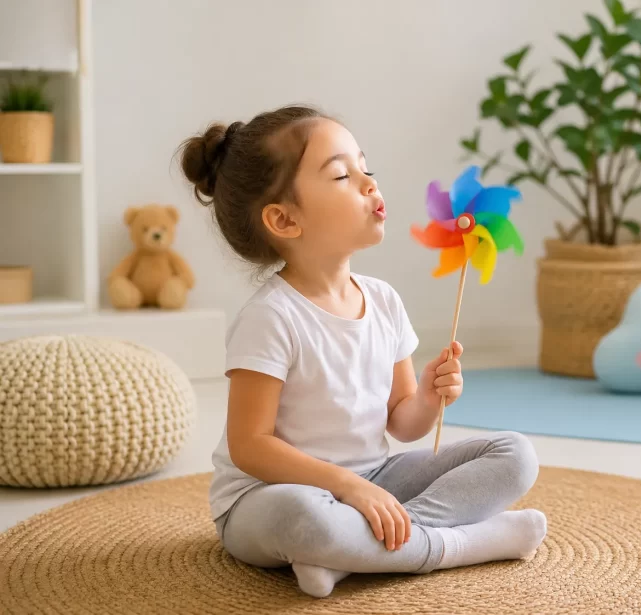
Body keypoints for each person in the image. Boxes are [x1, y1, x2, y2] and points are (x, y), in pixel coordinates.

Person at [178, 105, 547, 598]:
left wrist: (431, 398)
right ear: (284, 219)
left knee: (515, 454)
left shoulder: (385, 301)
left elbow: (402, 422)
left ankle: (354, 555)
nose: (370, 184)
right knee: (308, 518)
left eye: (366, 169)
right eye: (342, 175)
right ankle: (457, 545)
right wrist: (346, 487)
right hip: (268, 496)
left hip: (376, 478)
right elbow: (250, 446)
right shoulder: (271, 317)